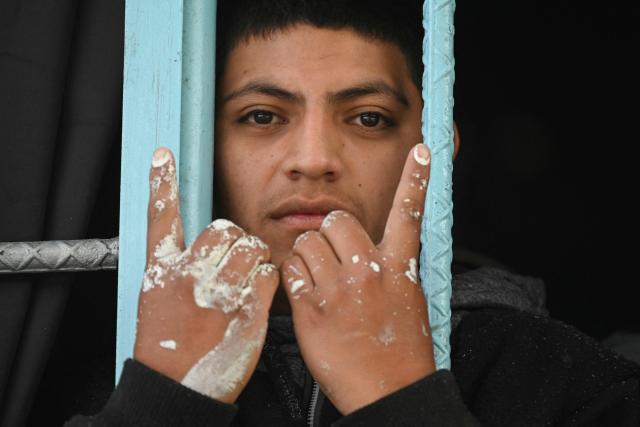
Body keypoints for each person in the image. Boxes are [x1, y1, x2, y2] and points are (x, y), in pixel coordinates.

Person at [66, 1, 640, 425]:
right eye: (262, 117)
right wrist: (160, 402)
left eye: (368, 118)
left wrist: (399, 396)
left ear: (436, 146)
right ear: (199, 145)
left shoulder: (549, 373)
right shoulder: (102, 362)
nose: (314, 160)